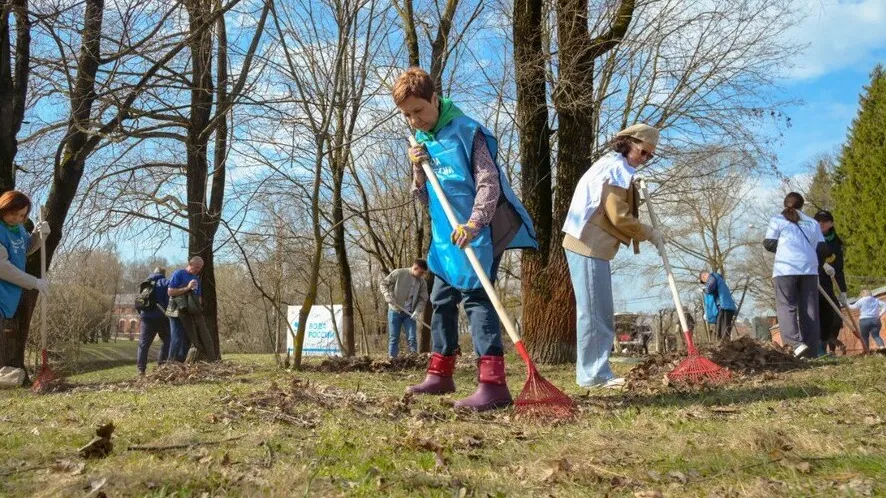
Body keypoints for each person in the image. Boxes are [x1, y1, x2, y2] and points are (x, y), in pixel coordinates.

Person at [394, 67, 538, 411]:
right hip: (444, 238)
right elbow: (424, 198)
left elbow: (490, 182)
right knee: (441, 301)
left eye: (419, 111)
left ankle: (493, 384)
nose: (415, 120)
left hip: (478, 233)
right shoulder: (423, 141)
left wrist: (474, 224)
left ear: (434, 99)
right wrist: (417, 168)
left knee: (478, 300)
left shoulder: (467, 131)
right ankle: (440, 374)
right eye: (407, 115)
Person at [562, 124, 664, 388]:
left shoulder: (615, 167)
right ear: (628, 143)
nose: (644, 160)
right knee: (595, 311)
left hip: (591, 244)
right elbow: (618, 215)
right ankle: (593, 374)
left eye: (650, 156)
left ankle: (594, 371)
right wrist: (649, 232)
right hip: (587, 244)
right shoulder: (615, 170)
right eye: (643, 152)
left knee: (599, 310)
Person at [763, 192, 831, 358]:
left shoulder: (777, 220)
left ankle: (795, 344)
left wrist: (787, 246)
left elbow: (769, 243)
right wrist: (818, 264)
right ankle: (812, 351)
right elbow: (822, 249)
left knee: (787, 306)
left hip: (785, 269)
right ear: (802, 205)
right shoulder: (813, 223)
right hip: (809, 269)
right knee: (810, 309)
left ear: (785, 204)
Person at [0, 191, 51, 385]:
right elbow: (2, 267)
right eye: (13, 213)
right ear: (4, 208)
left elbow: (26, 248)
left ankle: (9, 379)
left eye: (22, 215)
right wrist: (34, 282)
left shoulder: (19, 228)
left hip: (10, 294)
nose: (18, 218)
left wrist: (39, 235)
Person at [167, 257, 218, 362]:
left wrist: (198, 306)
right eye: (197, 267)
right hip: (176, 311)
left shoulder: (196, 278)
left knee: (188, 339)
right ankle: (170, 362)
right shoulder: (179, 274)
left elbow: (198, 296)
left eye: (200, 268)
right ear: (191, 264)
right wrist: (187, 288)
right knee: (177, 338)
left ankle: (180, 362)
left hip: (189, 312)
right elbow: (170, 292)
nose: (198, 270)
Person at [813, 210, 848, 355]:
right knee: (819, 314)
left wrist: (843, 290)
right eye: (818, 221)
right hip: (813, 280)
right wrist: (821, 264)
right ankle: (819, 348)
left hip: (827, 281)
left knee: (835, 316)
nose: (821, 224)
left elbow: (839, 268)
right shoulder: (810, 237)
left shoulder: (835, 242)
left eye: (825, 221)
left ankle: (830, 345)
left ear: (831, 223)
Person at [380, 259, 429, 357]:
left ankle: (414, 359)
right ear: (415, 268)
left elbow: (423, 298)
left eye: (423, 273)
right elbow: (383, 284)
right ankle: (392, 360)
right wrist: (387, 295)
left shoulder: (421, 282)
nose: (422, 275)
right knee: (394, 338)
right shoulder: (399, 273)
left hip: (410, 314)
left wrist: (417, 311)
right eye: (421, 272)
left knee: (412, 337)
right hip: (395, 311)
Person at [135, 267, 171, 375]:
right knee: (167, 340)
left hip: (146, 317)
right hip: (161, 317)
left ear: (154, 272)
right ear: (164, 274)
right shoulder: (165, 282)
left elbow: (140, 301)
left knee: (144, 344)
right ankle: (161, 366)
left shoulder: (146, 283)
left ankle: (141, 370)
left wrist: (141, 313)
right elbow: (168, 301)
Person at [699, 270, 737, 341]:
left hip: (724, 306)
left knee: (722, 328)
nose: (706, 283)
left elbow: (710, 286)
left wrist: (705, 290)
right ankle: (724, 344)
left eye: (704, 281)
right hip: (725, 306)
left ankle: (723, 345)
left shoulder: (713, 276)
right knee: (723, 327)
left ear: (704, 276)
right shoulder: (717, 278)